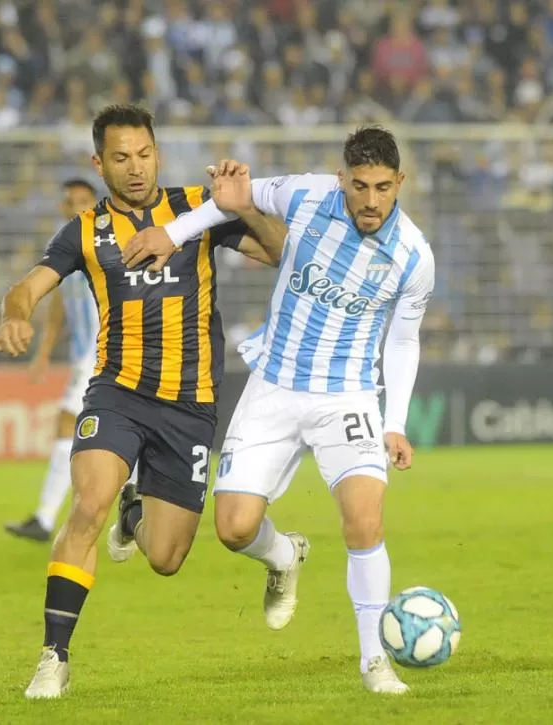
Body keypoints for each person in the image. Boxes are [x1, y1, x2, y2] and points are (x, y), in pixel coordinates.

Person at [122, 126, 435, 695]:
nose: (370, 200)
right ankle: (284, 556)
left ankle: (374, 662)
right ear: (342, 178)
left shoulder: (414, 256)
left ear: (400, 184)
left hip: (348, 395)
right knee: (234, 529)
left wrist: (394, 422)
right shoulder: (308, 193)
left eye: (383, 188)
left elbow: (403, 340)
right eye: (359, 185)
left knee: (364, 519)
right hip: (274, 386)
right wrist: (170, 232)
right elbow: (232, 199)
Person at [0, 104, 287, 700]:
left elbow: (278, 251)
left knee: (166, 558)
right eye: (121, 157)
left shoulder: (194, 210)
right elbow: (27, 287)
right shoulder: (83, 230)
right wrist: (15, 316)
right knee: (87, 505)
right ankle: (54, 657)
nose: (135, 168)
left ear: (159, 152)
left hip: (191, 403)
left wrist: (244, 204)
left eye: (145, 154)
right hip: (117, 391)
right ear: (99, 163)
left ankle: (142, 512)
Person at [4, 178, 138, 543]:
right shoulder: (68, 246)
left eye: (84, 200)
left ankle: (47, 519)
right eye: (70, 202)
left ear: (95, 202)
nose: (77, 207)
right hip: (85, 356)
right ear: (63, 207)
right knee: (99, 429)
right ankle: (134, 500)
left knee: (69, 427)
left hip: (105, 354)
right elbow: (59, 303)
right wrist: (45, 352)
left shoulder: (111, 242)